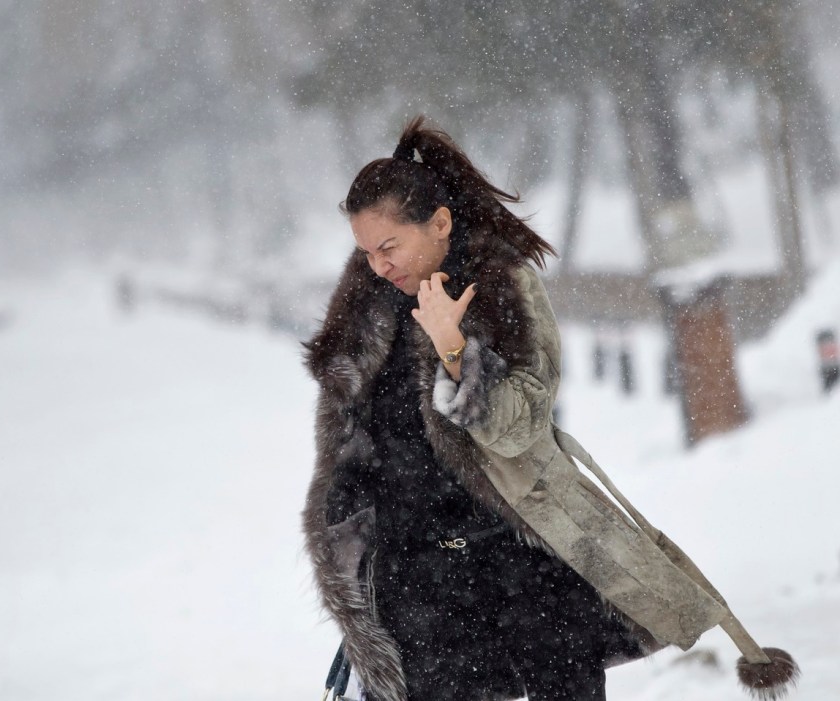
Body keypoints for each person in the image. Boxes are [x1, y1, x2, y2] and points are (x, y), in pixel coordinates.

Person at [302, 116, 798, 701]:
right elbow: (347, 444)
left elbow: (522, 427)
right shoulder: (365, 314)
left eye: (390, 247)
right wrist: (352, 531)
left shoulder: (502, 285)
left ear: (439, 223)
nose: (380, 266)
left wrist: (454, 350)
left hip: (519, 553)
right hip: (417, 577)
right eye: (366, 253)